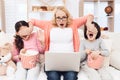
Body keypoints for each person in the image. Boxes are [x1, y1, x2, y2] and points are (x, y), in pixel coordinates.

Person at [30, 6, 94, 80]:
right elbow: (32, 21)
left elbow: (90, 16)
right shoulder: (48, 24)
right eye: (58, 18)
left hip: (70, 63)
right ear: (55, 18)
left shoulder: (73, 23)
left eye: (64, 17)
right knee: (53, 77)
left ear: (67, 17)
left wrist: (88, 24)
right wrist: (30, 29)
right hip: (52, 64)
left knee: (71, 77)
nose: (61, 20)